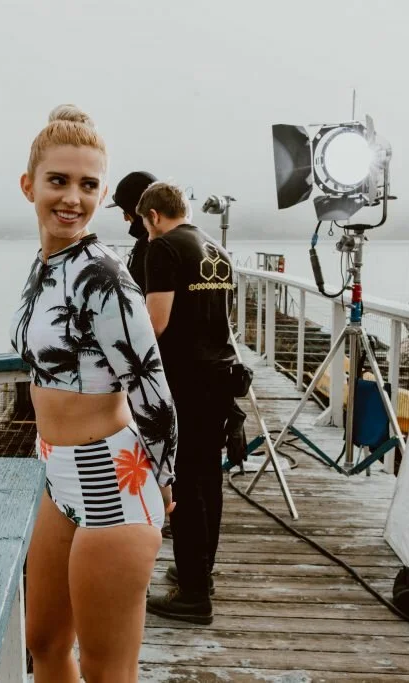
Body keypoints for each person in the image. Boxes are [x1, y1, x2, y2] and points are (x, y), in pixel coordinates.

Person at [9, 104, 179, 682]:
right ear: (29, 184)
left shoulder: (103, 274)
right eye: (58, 181)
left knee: (108, 673)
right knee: (46, 646)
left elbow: (150, 383)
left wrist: (164, 477)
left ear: (102, 192)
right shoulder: (45, 265)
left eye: (88, 185)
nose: (72, 198)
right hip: (58, 477)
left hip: (112, 476)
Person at [138, 181, 238, 625]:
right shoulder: (216, 249)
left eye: (144, 224)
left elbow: (155, 323)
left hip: (187, 382)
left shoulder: (164, 250)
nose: (146, 233)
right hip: (220, 378)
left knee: (185, 484)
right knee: (209, 482)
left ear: (154, 216)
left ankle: (194, 595)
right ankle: (200, 572)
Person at [106, 171, 157, 293]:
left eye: (125, 212)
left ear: (137, 210)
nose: (125, 218)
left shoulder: (151, 248)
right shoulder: (176, 240)